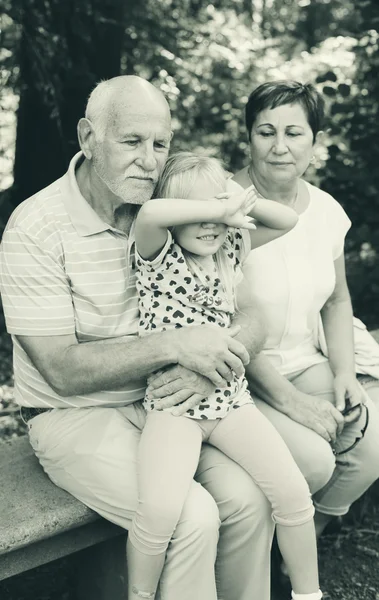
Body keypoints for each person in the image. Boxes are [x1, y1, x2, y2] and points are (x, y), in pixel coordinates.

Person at [0, 75, 278, 600]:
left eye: (160, 144)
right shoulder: (33, 228)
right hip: (73, 415)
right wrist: (177, 347)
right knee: (188, 517)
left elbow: (252, 313)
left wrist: (212, 362)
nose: (149, 161)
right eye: (131, 141)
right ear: (88, 138)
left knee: (250, 498)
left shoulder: (177, 206)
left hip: (172, 403)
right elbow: (61, 368)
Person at [146, 79, 379, 595]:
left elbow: (338, 300)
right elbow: (229, 321)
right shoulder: (212, 207)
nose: (280, 146)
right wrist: (294, 402)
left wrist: (344, 374)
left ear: (315, 141)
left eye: (295, 132)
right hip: (246, 374)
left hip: (307, 356)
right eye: (265, 131)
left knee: (372, 441)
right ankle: (281, 551)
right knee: (316, 461)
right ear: (247, 137)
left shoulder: (328, 209)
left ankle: (298, 545)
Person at [128, 151, 323, 600]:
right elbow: (152, 211)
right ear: (181, 216)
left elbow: (287, 218)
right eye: (198, 210)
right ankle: (138, 596)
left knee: (293, 494)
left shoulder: (231, 244)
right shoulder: (157, 252)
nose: (213, 220)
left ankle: (309, 595)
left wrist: (230, 201)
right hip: (175, 408)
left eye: (220, 205)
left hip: (231, 402)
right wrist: (217, 206)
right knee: (159, 510)